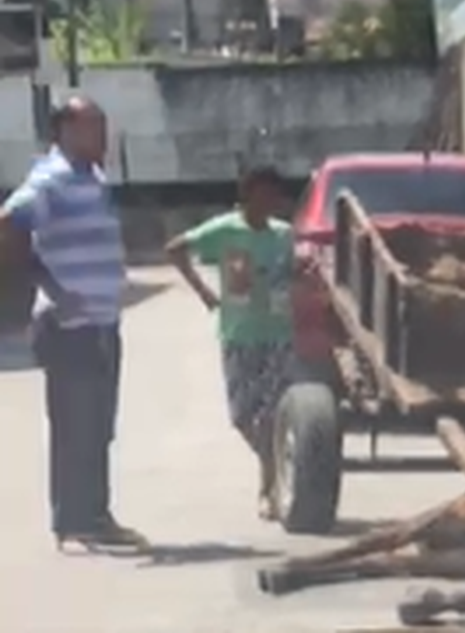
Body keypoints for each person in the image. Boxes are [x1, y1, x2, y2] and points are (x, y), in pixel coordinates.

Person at [0, 96, 146, 550]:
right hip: (69, 327)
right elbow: (8, 225)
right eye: (91, 126)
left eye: (102, 125)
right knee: (75, 425)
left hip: (101, 321)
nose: (101, 135)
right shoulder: (51, 179)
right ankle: (75, 520)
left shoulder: (93, 177)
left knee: (98, 425)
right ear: (64, 130)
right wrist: (51, 288)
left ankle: (93, 516)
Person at [165, 166, 302, 521]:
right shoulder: (224, 230)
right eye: (263, 194)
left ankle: (268, 486)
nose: (269, 202)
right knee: (243, 415)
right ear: (248, 196)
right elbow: (176, 249)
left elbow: (294, 272)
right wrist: (204, 292)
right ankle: (271, 461)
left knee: (272, 413)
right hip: (239, 334)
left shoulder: (284, 234)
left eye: (275, 195)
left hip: (278, 335)